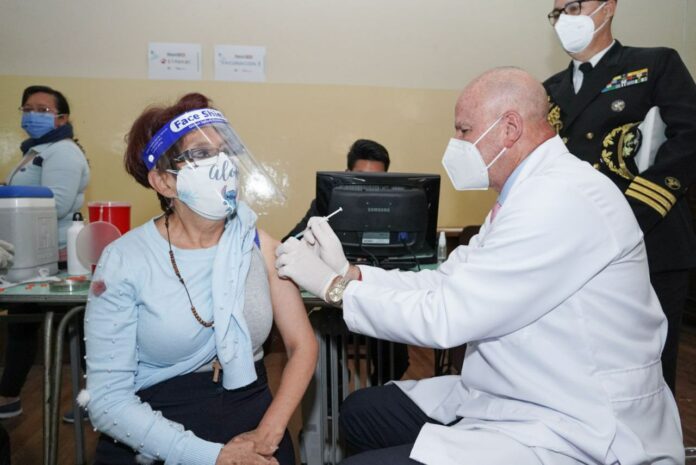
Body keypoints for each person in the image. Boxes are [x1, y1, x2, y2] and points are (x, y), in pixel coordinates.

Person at [275, 67, 684, 465]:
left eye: (464, 130)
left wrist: (335, 289)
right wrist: (353, 274)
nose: (455, 143)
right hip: (516, 388)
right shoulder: (525, 194)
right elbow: (447, 280)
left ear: (509, 128)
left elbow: (448, 317)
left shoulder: (560, 199)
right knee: (362, 413)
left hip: (571, 415)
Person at [81, 93, 318, 465]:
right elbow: (108, 401)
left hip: (252, 415)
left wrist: (269, 433)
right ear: (164, 182)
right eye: (202, 154)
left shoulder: (256, 243)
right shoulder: (125, 261)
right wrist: (215, 456)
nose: (222, 163)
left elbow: (302, 345)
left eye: (225, 150)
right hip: (155, 426)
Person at [544, 0, 696, 394]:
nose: (566, 19)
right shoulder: (547, 91)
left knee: (647, 371)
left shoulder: (655, 65)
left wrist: (635, 209)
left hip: (650, 236)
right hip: (577, 250)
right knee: (583, 365)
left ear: (608, 8)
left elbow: (690, 136)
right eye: (558, 12)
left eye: (575, 6)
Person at [284, 138, 408, 385]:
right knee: (319, 335)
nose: (368, 186)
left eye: (377, 179)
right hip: (334, 298)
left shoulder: (398, 207)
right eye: (360, 177)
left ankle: (376, 394)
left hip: (376, 292)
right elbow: (290, 241)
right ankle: (336, 391)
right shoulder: (327, 205)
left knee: (396, 353)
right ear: (347, 173)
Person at [0, 85, 90, 419]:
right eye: (27, 108)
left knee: (74, 329)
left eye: (41, 109)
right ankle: (8, 395)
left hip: (59, 254)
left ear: (62, 118)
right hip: (32, 255)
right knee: (23, 325)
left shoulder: (62, 151)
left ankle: (92, 401)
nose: (31, 115)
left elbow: (56, 203)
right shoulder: (36, 149)